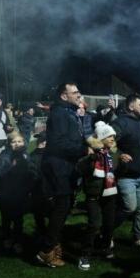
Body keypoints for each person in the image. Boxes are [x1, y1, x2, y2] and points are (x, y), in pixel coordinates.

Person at [37, 82, 88, 267]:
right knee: (61, 207)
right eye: (74, 92)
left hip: (65, 167)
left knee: (63, 208)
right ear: (63, 96)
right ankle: (46, 250)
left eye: (78, 91)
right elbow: (58, 144)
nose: (78, 95)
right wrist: (84, 150)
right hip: (58, 168)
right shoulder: (59, 113)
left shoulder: (68, 112)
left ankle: (53, 245)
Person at [111, 93, 140, 249]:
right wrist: (119, 154)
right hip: (126, 176)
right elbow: (107, 141)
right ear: (131, 106)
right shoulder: (121, 123)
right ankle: (106, 231)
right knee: (130, 207)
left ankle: (138, 237)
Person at [76, 121, 118, 271]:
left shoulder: (114, 154)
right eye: (109, 136)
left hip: (110, 194)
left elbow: (118, 172)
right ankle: (85, 255)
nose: (113, 139)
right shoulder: (92, 153)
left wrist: (125, 164)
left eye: (113, 136)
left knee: (109, 225)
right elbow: (79, 168)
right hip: (93, 195)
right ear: (101, 138)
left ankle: (105, 247)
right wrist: (90, 158)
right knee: (94, 225)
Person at [0, 131, 34, 254]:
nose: (17, 144)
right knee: (6, 217)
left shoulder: (25, 155)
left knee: (18, 218)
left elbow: (31, 171)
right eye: (14, 142)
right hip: (6, 192)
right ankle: (7, 238)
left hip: (20, 191)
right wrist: (11, 166)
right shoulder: (5, 155)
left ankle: (18, 240)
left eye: (19, 141)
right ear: (9, 143)